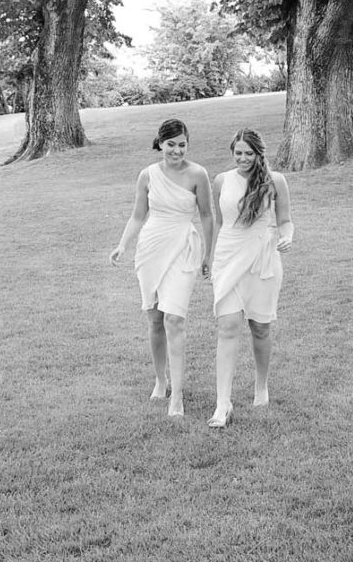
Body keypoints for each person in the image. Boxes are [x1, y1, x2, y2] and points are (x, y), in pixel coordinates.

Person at [110, 119, 214, 418]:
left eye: (182, 145)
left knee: (174, 319)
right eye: (171, 144)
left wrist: (209, 255)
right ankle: (160, 380)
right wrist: (122, 245)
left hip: (183, 248)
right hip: (151, 249)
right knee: (155, 319)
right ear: (160, 144)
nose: (177, 151)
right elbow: (137, 216)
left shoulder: (198, 174)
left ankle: (177, 396)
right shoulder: (147, 175)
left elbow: (207, 216)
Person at [207, 129, 293, 428]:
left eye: (248, 153)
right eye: (238, 153)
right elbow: (220, 223)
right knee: (228, 326)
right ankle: (223, 403)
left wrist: (287, 236)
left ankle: (261, 386)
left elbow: (285, 220)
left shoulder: (275, 181)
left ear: (259, 154)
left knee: (260, 327)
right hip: (228, 257)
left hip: (262, 260)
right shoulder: (221, 180)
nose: (243, 158)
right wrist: (210, 258)